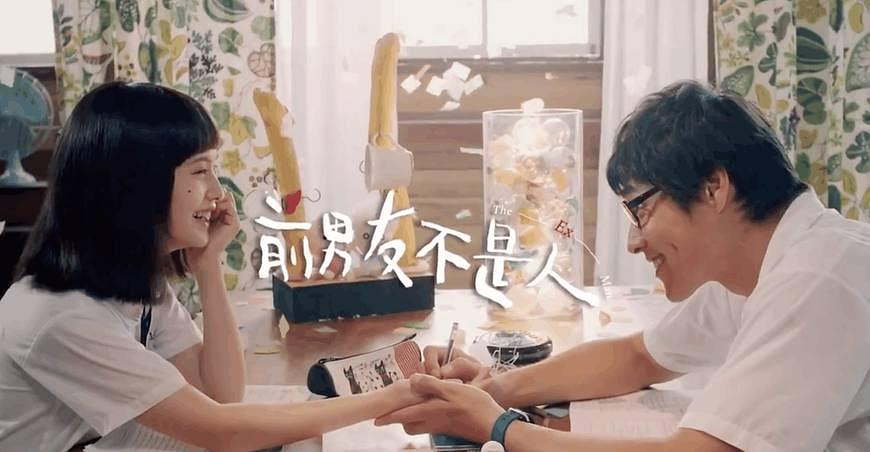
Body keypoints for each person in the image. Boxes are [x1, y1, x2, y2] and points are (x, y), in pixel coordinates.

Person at [376, 80, 870, 452]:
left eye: (640, 209)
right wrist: (495, 389)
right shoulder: (758, 265)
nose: (634, 242)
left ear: (713, 188)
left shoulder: (818, 279)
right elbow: (639, 356)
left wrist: (499, 427)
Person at [0, 82, 422, 452]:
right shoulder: (62, 315)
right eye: (200, 171)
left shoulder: (135, 284)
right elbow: (222, 431)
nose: (219, 194)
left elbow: (222, 395)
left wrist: (208, 267)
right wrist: (392, 397)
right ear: (137, 185)